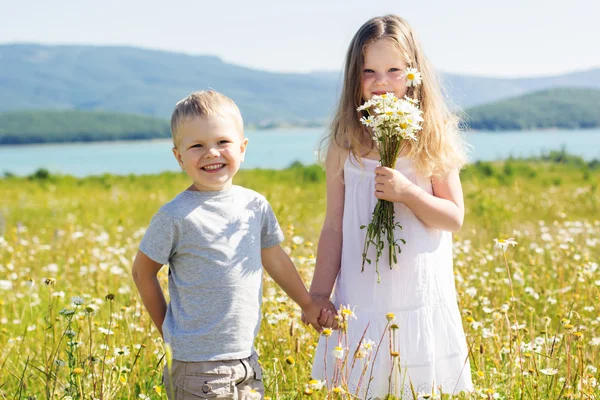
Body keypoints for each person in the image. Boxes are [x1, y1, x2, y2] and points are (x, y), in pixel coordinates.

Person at [305, 15, 474, 398]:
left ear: (414, 74)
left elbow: (454, 217)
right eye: (369, 71)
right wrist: (318, 295)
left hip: (417, 297)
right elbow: (334, 226)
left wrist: (408, 193)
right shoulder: (345, 144)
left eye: (394, 70)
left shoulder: (431, 137)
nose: (381, 82)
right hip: (361, 299)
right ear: (355, 79)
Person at [132, 90, 323, 399]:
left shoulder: (254, 205)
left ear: (242, 148)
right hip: (197, 367)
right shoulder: (175, 216)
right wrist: (168, 334)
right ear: (179, 157)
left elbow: (274, 257)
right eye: (197, 146)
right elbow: (142, 272)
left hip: (246, 358)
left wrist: (307, 302)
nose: (211, 153)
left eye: (222, 142)